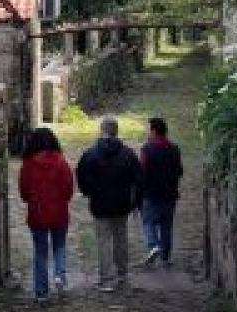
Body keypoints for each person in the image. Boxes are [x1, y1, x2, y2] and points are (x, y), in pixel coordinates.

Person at [76, 115, 142, 291]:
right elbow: (138, 178)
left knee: (103, 241)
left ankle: (106, 279)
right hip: (122, 203)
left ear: (102, 131)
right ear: (116, 131)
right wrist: (135, 200)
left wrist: (89, 192)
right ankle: (122, 275)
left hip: (100, 204)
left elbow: (81, 175)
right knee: (121, 238)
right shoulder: (128, 154)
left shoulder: (91, 154)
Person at [18, 126, 75, 304]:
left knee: (40, 252)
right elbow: (68, 190)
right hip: (59, 212)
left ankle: (41, 292)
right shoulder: (61, 162)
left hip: (37, 213)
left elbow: (24, 192)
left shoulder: (28, 164)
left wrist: (33, 199)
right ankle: (59, 275)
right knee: (59, 246)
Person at [140, 117, 183, 268]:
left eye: (149, 130)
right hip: (170, 194)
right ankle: (165, 257)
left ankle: (153, 245)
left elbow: (143, 173)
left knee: (148, 222)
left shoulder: (147, 149)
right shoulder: (174, 149)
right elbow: (179, 171)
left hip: (151, 194)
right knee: (166, 226)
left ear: (153, 131)